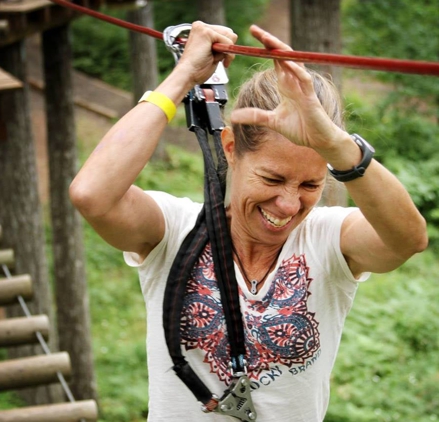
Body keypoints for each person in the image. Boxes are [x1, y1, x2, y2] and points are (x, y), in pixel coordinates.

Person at [69, 22, 428, 421]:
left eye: (311, 183)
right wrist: (183, 76)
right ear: (230, 150)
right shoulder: (173, 231)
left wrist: (338, 145)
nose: (289, 205)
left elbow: (408, 239)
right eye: (272, 179)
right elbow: (92, 194)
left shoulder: (328, 240)